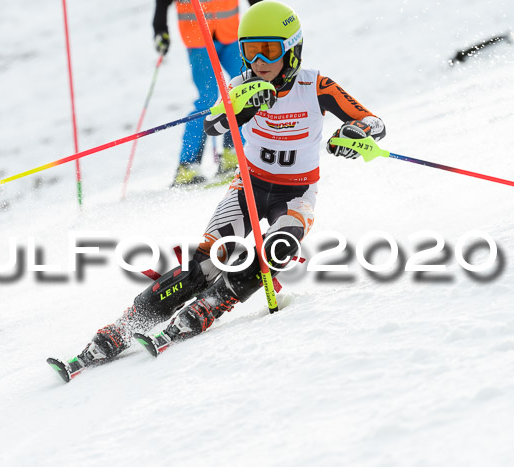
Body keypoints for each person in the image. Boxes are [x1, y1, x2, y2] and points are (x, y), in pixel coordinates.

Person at [48, 0, 386, 382]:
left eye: (270, 50)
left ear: (292, 50)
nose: (259, 61)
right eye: (249, 50)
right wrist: (238, 110)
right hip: (249, 187)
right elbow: (212, 125)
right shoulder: (242, 86)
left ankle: (214, 303)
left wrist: (355, 134)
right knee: (205, 264)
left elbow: (372, 122)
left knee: (277, 248)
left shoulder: (316, 86)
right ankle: (126, 325)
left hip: (295, 194)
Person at [153, 0, 262, 186]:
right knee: (208, 98)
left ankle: (233, 153)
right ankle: (187, 166)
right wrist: (160, 30)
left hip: (230, 35)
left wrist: (263, 20)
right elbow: (162, 3)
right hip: (198, 41)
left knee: (245, 87)